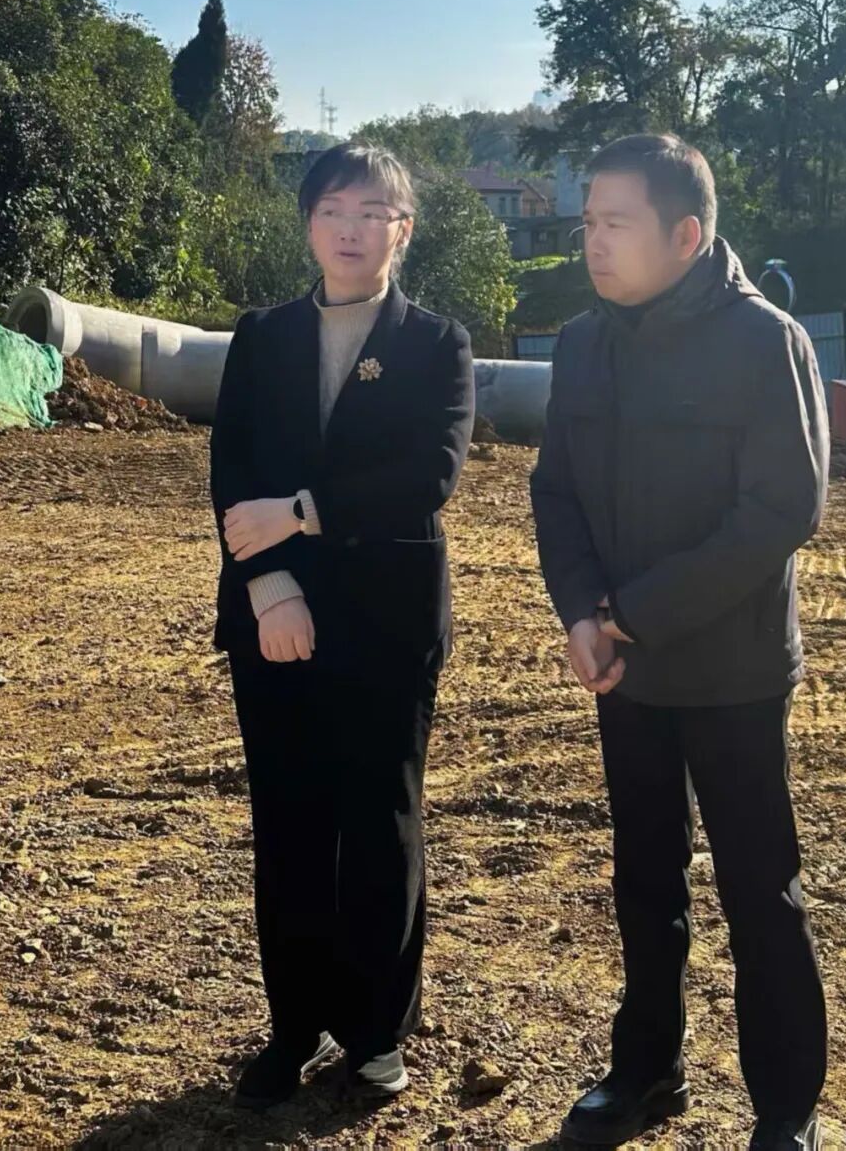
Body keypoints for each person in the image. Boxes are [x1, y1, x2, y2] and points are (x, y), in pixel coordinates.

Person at [530, 134, 829, 1149]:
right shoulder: (583, 344)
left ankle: (784, 1109)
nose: (593, 243)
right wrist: (581, 612)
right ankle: (648, 1069)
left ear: (686, 235)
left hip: (734, 670)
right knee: (644, 878)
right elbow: (556, 489)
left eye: (615, 224)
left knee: (760, 889)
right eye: (588, 222)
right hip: (626, 669)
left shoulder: (764, 342)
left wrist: (634, 614)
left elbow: (781, 509)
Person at [208, 142, 475, 1111]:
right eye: (332, 210)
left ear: (403, 229)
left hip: (386, 622)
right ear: (310, 224)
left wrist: (303, 513)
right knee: (288, 824)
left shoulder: (436, 344)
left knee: (379, 821)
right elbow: (232, 471)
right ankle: (294, 1028)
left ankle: (374, 1032)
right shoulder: (262, 336)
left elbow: (429, 475)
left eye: (372, 212)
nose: (350, 229)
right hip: (272, 617)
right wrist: (269, 585)